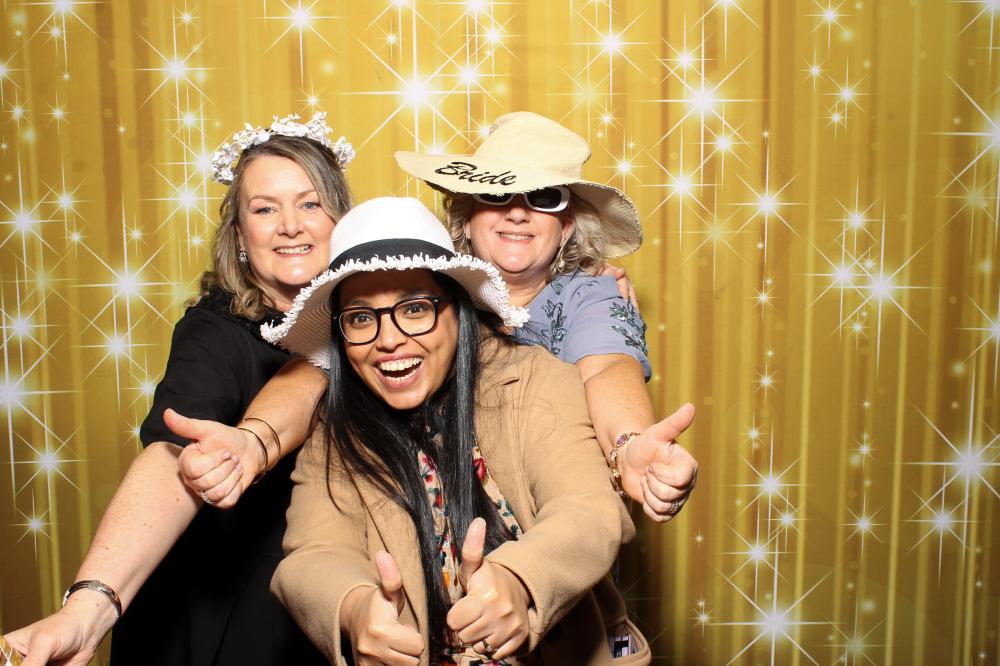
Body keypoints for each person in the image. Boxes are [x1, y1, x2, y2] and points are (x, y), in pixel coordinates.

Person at [183, 111, 696, 524]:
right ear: (465, 217)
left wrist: (630, 446)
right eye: (497, 194)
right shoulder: (427, 282)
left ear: (566, 226)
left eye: (543, 198)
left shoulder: (593, 296)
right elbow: (319, 366)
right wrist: (254, 442)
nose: (518, 212)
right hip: (426, 531)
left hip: (548, 525)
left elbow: (606, 368)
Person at [3, 112, 354, 665]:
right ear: (239, 236)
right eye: (264, 209)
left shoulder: (374, 328)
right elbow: (172, 457)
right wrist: (89, 606)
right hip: (223, 625)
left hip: (326, 604)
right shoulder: (214, 332)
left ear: (343, 220)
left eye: (310, 204)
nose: (290, 226)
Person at [266, 196, 652, 665]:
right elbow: (313, 554)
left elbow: (588, 509)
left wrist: (519, 579)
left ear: (459, 309)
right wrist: (353, 607)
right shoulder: (335, 428)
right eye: (361, 318)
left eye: (415, 308)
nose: (389, 340)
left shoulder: (535, 379)